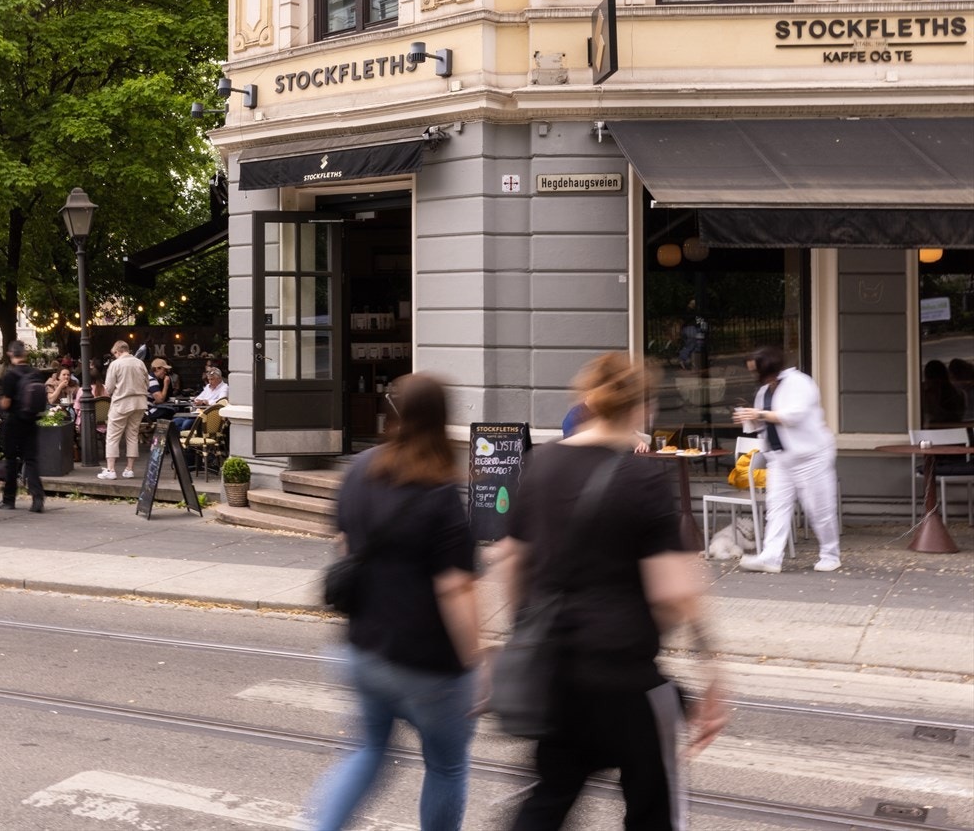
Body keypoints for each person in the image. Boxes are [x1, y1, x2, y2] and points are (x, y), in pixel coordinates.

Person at [499, 353, 728, 830]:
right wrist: (713, 672)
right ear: (644, 408)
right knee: (653, 810)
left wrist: (523, 632)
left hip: (557, 674)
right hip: (626, 679)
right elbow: (674, 593)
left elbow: (512, 561)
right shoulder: (642, 478)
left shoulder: (539, 464)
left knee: (549, 799)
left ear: (587, 402)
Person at [310, 374, 480, 831]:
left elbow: (345, 544)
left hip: (363, 647)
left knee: (367, 750)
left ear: (394, 411)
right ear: (443, 420)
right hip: (428, 663)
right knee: (446, 765)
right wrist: (476, 663)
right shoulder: (440, 494)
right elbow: (455, 590)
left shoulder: (360, 469)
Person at [734, 346, 841, 573]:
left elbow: (795, 415)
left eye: (756, 370)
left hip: (811, 457)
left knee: (819, 509)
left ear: (768, 367)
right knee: (776, 507)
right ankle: (770, 557)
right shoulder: (764, 391)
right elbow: (764, 423)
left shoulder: (799, 382)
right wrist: (750, 419)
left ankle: (830, 555)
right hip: (779, 458)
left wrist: (759, 414)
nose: (754, 375)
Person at [0, 340, 45, 512]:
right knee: (31, 460)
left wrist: (0, 403)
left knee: (11, 460)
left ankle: (9, 499)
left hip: (14, 422)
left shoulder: (10, 375)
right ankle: (37, 499)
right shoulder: (36, 373)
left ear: (10, 354)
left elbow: (6, 403)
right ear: (25, 354)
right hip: (31, 421)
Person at [98, 340, 150, 480]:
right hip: (139, 403)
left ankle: (111, 470)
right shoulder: (140, 363)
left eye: (114, 354)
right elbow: (147, 384)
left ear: (117, 351)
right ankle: (129, 469)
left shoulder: (115, 364)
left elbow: (109, 388)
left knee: (112, 436)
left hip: (121, 403)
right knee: (132, 435)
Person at [172, 367, 228, 435]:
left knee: (185, 424)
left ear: (219, 378)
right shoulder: (208, 387)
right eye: (209, 379)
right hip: (197, 414)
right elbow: (198, 398)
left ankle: (182, 438)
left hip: (208, 417)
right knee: (174, 422)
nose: (210, 382)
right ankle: (177, 438)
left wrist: (206, 402)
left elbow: (221, 402)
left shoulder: (224, 387)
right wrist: (198, 401)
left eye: (212, 379)